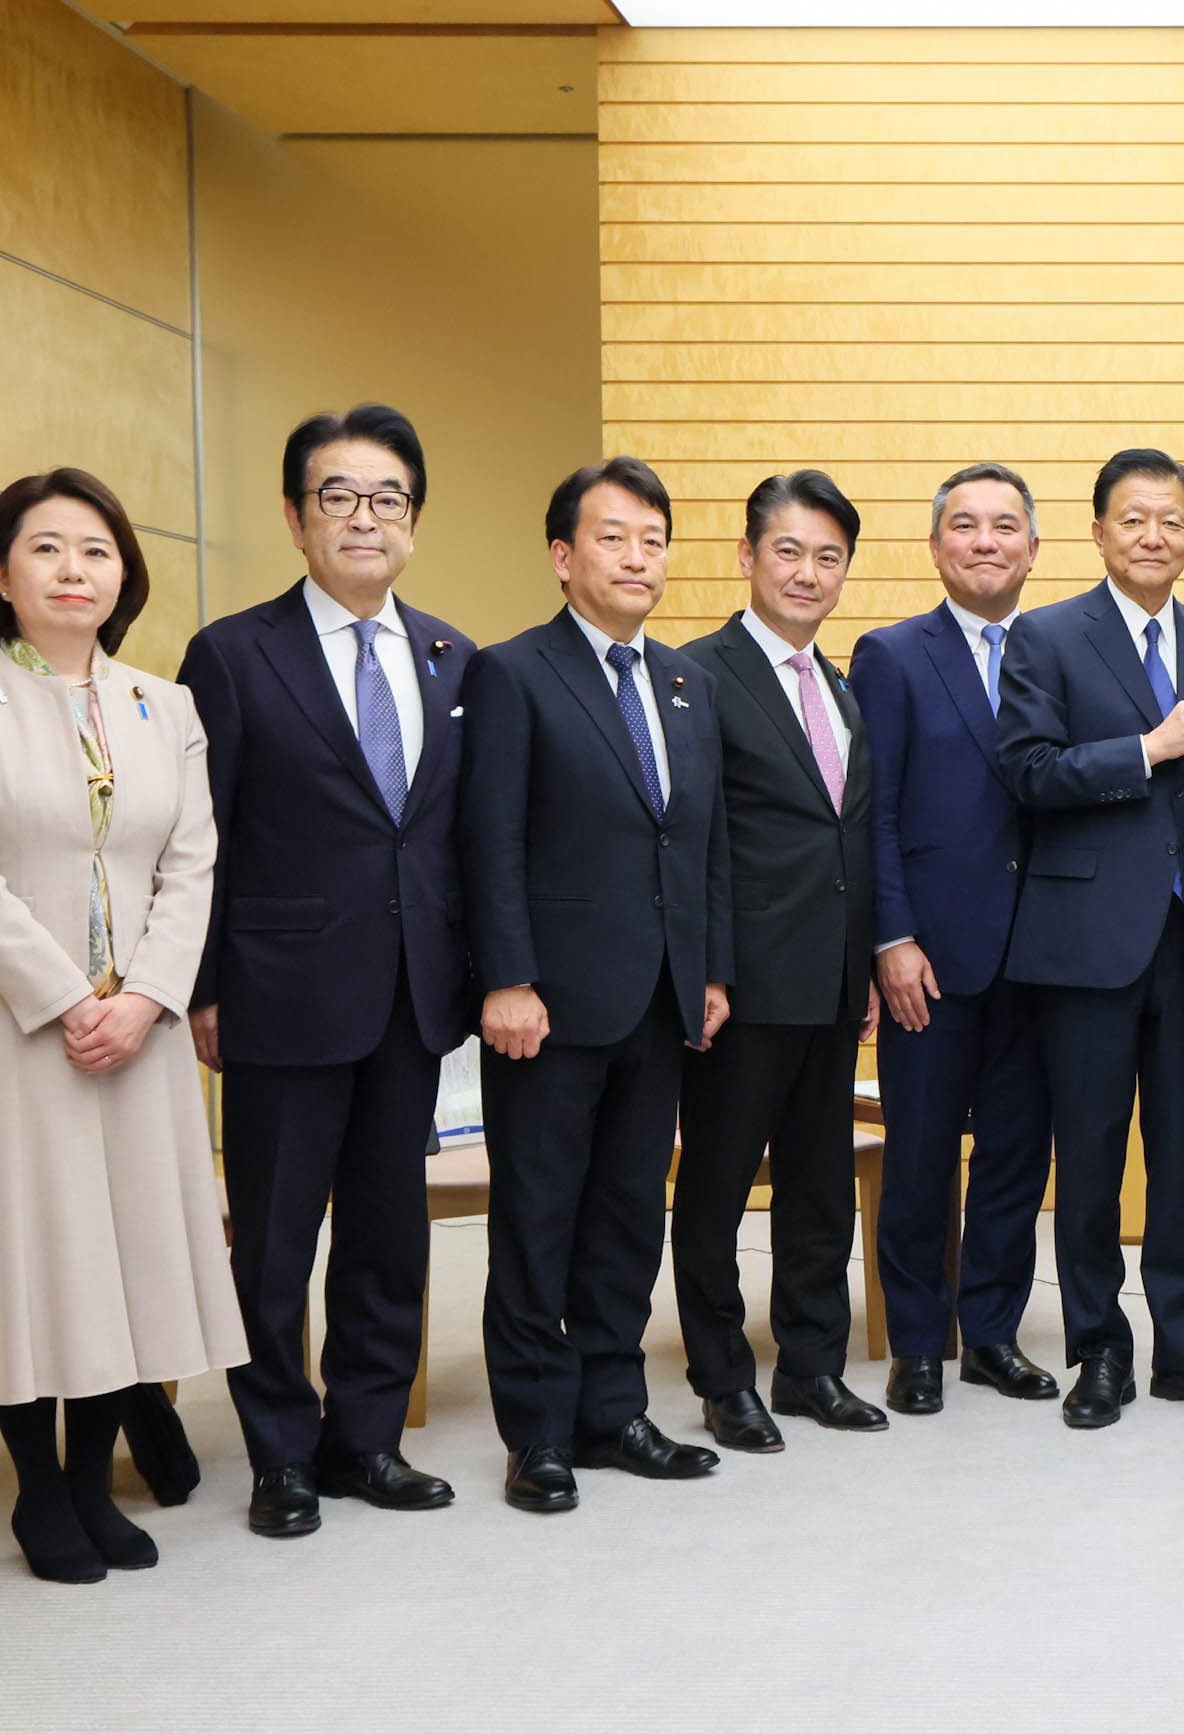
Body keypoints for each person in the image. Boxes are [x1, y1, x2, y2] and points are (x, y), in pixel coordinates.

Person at [0, 470, 246, 1582]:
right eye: (45, 550)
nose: (72, 570)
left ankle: (92, 1477)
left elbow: (190, 867)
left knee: (122, 1245)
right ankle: (37, 1491)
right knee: (23, 1241)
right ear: (0, 574)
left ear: (122, 575)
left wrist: (143, 998)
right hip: (9, 1020)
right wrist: (67, 1001)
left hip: (137, 1023)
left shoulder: (165, 706)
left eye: (94, 551)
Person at [177, 405, 469, 1539]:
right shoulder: (234, 653)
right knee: (277, 1245)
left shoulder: (451, 654)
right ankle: (281, 1455)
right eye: (338, 495)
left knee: (391, 1237)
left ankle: (366, 1441)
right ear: (297, 518)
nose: (364, 517)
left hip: (409, 994)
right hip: (279, 993)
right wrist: (203, 986)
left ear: (412, 523)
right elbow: (200, 833)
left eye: (387, 498)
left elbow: (450, 838)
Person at [458, 457, 733, 1512]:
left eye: (653, 539)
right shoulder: (514, 672)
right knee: (537, 1217)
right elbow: (492, 842)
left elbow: (699, 841)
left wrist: (709, 970)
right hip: (551, 1003)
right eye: (613, 538)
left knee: (626, 1216)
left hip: (660, 998)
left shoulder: (684, 682)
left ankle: (613, 1408)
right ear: (563, 557)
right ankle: (536, 1429)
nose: (637, 557)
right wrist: (507, 980)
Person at [996, 448, 1184, 1428]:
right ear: (1099, 530)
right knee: (1092, 1156)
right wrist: (1145, 749)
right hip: (1083, 941)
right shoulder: (1044, 636)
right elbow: (1025, 770)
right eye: (1133, 519)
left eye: (1171, 521)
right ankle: (1098, 1353)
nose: (1153, 536)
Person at [671, 470, 886, 1452]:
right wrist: (706, 970)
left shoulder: (836, 685)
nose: (807, 572)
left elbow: (849, 836)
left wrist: (869, 968)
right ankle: (722, 1376)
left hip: (831, 984)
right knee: (715, 1188)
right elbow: (692, 842)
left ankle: (811, 1367)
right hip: (741, 987)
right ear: (747, 556)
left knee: (818, 1186)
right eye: (789, 551)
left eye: (827, 557)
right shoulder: (695, 676)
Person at [851, 463, 1060, 1415]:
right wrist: (890, 935)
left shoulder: (1063, 651)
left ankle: (995, 1334)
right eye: (966, 526)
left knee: (1019, 1157)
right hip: (929, 956)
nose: (986, 541)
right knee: (923, 1156)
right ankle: (920, 1343)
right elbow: (874, 811)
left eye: (1005, 526)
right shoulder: (892, 655)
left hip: (1048, 955)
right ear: (937, 547)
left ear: (1033, 547)